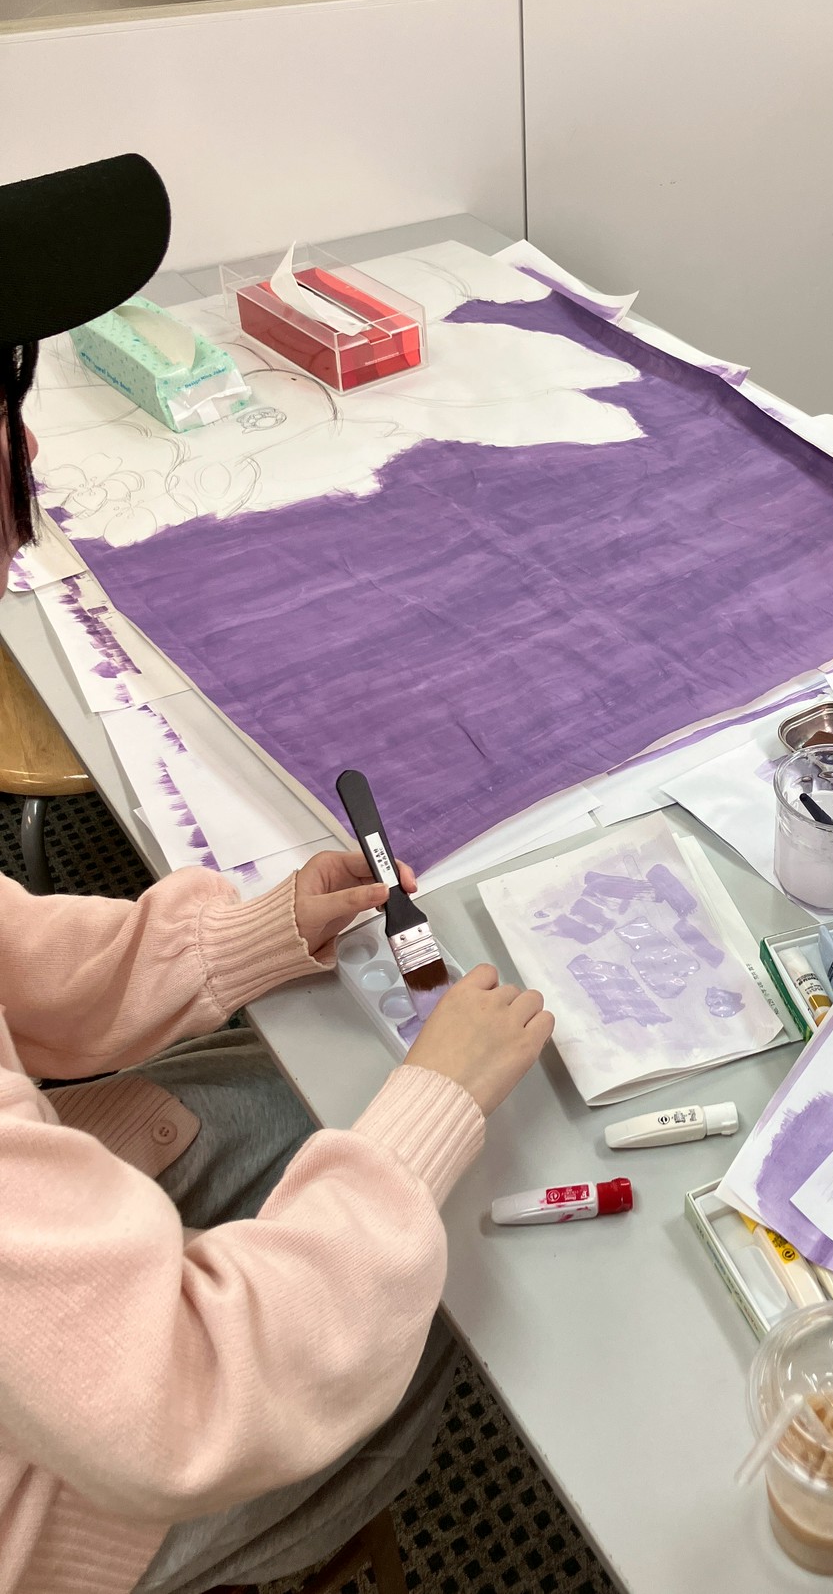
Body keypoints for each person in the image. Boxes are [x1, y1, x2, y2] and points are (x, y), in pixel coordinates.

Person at [0, 155, 555, 1594]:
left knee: (302, 1108)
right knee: (452, 1299)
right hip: (67, 1495)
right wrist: (433, 1105)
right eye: (4, 399)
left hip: (63, 1303)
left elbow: (15, 964)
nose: (32, 449)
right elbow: (180, 1400)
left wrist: (248, 940)